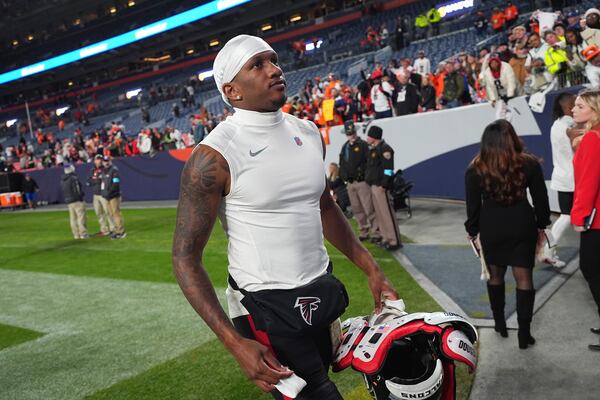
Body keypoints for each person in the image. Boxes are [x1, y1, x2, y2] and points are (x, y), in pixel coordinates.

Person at [171, 34, 398, 399]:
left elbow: (325, 207)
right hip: (264, 308)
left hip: (320, 293)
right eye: (257, 65)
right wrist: (234, 342)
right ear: (233, 91)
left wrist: (373, 270)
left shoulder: (307, 132)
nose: (275, 70)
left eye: (273, 60)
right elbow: (184, 259)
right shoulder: (213, 156)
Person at [465, 120, 551, 349]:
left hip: (491, 226)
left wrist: (472, 232)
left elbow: (472, 209)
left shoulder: (475, 168)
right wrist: (542, 225)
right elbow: (542, 201)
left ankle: (500, 323)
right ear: (512, 138)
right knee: (525, 278)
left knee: (495, 277)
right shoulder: (529, 163)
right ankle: (524, 333)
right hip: (523, 224)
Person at [570, 90, 600, 351]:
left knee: (590, 268)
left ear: (594, 110)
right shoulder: (591, 137)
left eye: (580, 106)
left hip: (595, 220)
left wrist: (578, 216)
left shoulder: (592, 139)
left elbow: (587, 184)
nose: (573, 109)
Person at [540, 93, 578, 268]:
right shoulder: (570, 124)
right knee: (567, 216)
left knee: (566, 215)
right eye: (575, 101)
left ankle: (548, 250)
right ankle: (548, 250)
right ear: (568, 107)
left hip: (563, 177)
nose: (578, 102)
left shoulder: (557, 124)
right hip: (573, 178)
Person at [339, 120, 379, 242]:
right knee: (357, 209)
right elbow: (342, 163)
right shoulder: (345, 146)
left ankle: (376, 232)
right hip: (350, 183)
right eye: (349, 133)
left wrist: (366, 177)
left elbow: (369, 163)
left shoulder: (362, 145)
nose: (351, 135)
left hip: (362, 182)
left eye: (352, 132)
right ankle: (363, 230)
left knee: (369, 208)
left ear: (355, 132)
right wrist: (344, 177)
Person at [365, 125, 402, 251]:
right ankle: (386, 238)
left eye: (369, 135)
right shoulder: (374, 149)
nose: (367, 138)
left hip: (381, 187)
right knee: (380, 214)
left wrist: (384, 185)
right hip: (374, 185)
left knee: (387, 214)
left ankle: (394, 240)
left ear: (374, 137)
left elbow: (389, 170)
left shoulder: (385, 149)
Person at [481, 56, 517, 120]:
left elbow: (511, 81)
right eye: (491, 63)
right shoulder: (488, 72)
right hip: (500, 95)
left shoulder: (506, 67)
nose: (494, 65)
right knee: (500, 113)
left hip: (514, 92)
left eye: (495, 62)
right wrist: (493, 99)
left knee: (516, 110)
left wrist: (510, 95)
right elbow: (490, 87)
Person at [87, 154, 114, 236]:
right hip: (95, 195)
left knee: (108, 212)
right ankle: (104, 230)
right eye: (97, 159)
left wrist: (95, 180)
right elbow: (88, 181)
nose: (99, 161)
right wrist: (96, 180)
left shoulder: (105, 169)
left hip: (103, 194)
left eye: (100, 159)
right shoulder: (92, 170)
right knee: (99, 213)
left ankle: (113, 229)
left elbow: (103, 180)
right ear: (94, 161)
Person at [100, 156, 126, 239]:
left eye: (107, 161)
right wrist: (104, 193)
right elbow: (103, 184)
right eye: (104, 161)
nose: (106, 163)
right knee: (111, 214)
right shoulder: (103, 171)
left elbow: (116, 183)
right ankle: (116, 230)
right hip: (107, 196)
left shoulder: (114, 170)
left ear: (110, 161)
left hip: (113, 196)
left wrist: (109, 192)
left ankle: (121, 232)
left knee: (116, 213)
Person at [61, 164, 88, 239]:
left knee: (73, 218)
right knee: (81, 217)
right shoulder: (73, 178)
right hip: (76, 200)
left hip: (69, 200)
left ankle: (76, 234)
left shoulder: (63, 179)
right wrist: (81, 197)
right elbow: (77, 189)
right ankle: (83, 233)